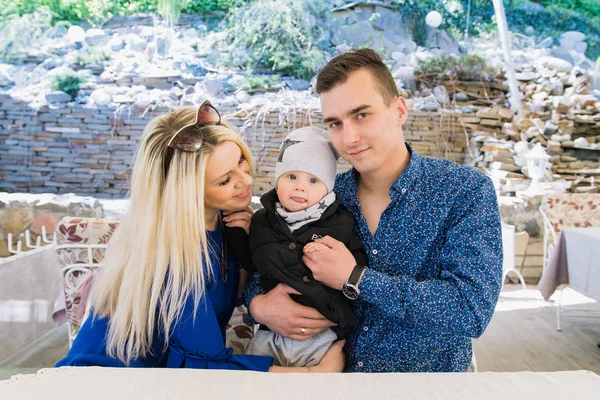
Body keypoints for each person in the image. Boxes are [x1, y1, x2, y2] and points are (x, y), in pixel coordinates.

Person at [245, 49, 503, 372]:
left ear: (399, 110)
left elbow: (470, 309)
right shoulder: (320, 194)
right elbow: (267, 260)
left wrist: (357, 278)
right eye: (335, 123)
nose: (349, 137)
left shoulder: (465, 191)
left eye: (361, 115)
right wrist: (258, 305)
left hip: (429, 390)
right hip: (333, 385)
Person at [55, 101, 345, 373]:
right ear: (188, 194)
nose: (245, 180)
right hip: (108, 381)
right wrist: (313, 373)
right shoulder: (172, 259)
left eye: (241, 161)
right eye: (225, 180)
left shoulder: (226, 222)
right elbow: (202, 368)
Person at [233, 127, 368, 367]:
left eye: (313, 180)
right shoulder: (262, 220)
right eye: (291, 177)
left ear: (327, 187)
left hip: (321, 332)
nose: (300, 187)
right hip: (269, 332)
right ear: (278, 179)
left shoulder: (341, 222)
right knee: (253, 382)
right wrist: (241, 235)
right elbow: (252, 265)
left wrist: (339, 262)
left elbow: (357, 265)